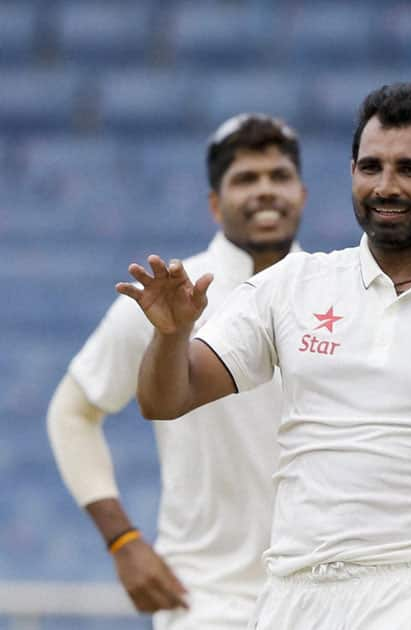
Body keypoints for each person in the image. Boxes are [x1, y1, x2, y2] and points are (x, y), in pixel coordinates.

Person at [115, 82, 411, 630]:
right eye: (370, 167)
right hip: (291, 590)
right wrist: (171, 335)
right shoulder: (295, 283)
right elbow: (166, 398)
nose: (385, 186)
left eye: (409, 169)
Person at [47, 113, 308, 629]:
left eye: (279, 177)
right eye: (245, 179)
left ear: (301, 192)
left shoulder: (338, 294)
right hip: (208, 600)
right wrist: (123, 541)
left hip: (327, 598)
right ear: (215, 203)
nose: (265, 192)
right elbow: (70, 414)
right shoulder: (165, 299)